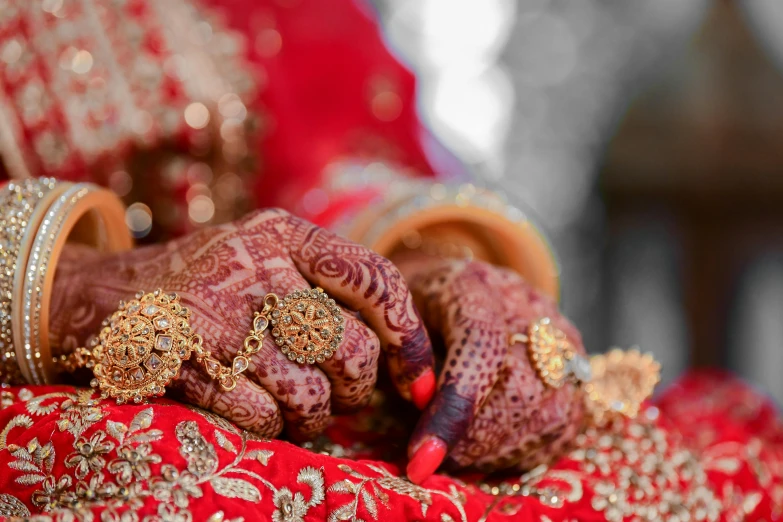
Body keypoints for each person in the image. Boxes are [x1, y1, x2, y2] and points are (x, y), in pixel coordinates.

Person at [0, 1, 780, 520]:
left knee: (688, 476)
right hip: (51, 395)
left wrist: (426, 264)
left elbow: (323, 136)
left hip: (299, 383)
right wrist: (57, 282)